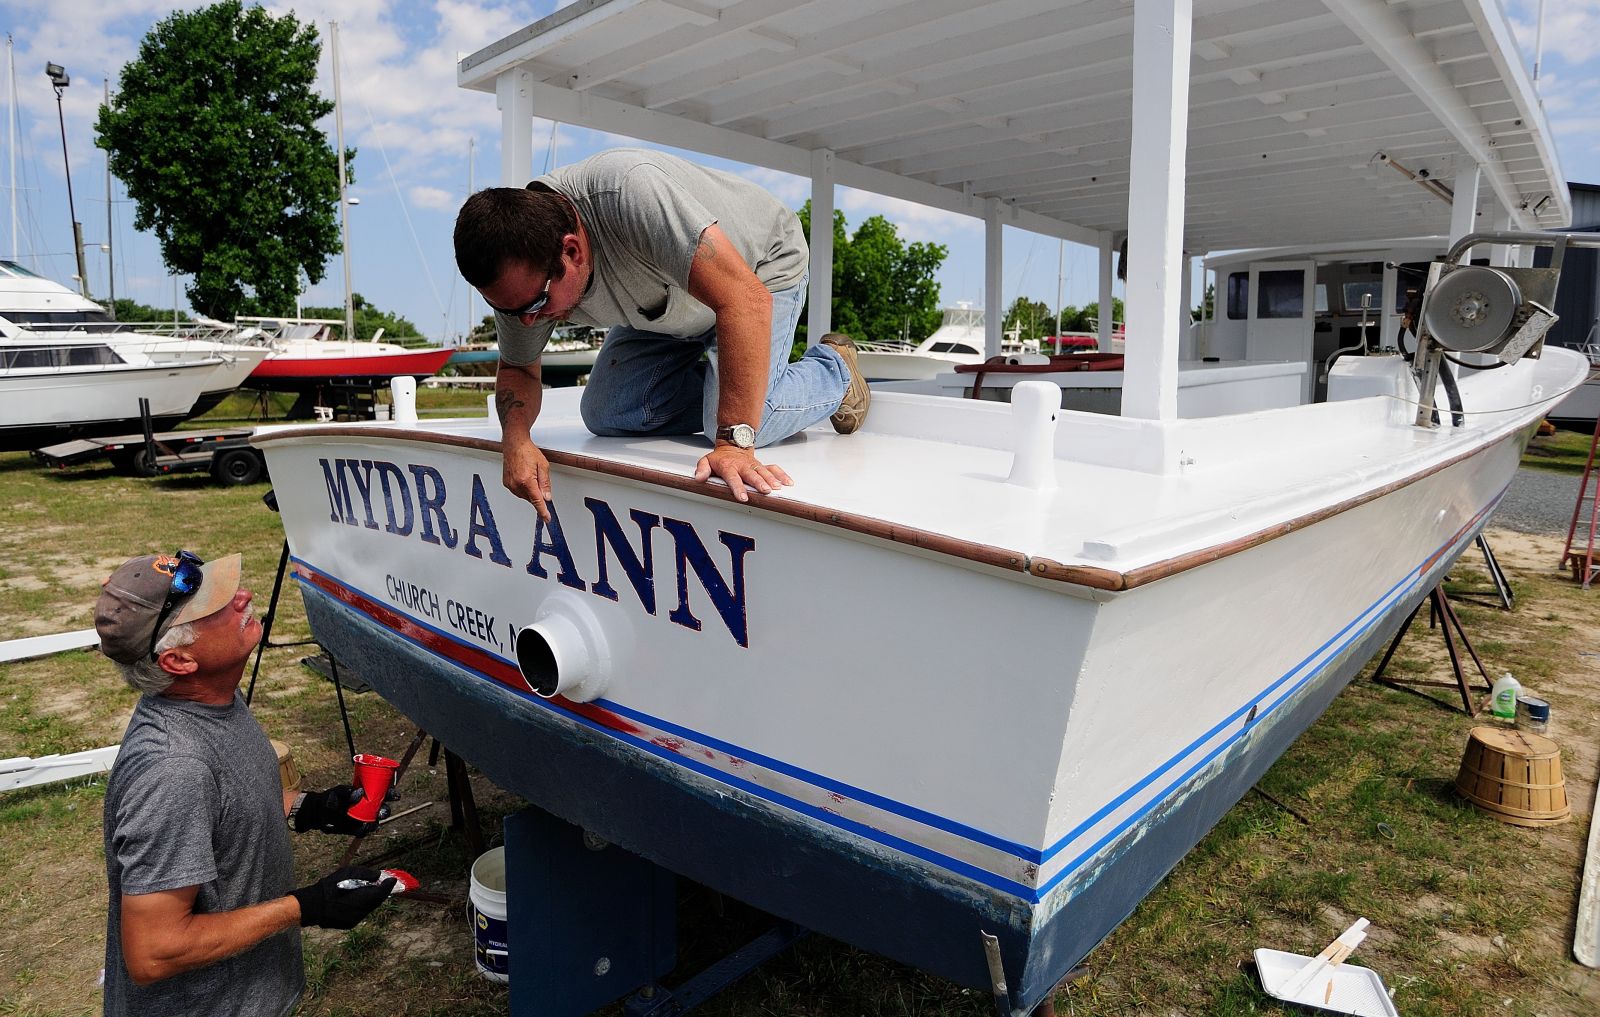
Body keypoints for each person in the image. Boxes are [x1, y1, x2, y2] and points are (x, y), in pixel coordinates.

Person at [453, 147, 872, 519]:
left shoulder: (631, 195)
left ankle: (834, 370)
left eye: (535, 305)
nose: (527, 322)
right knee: (607, 413)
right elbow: (519, 369)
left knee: (725, 423)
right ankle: (723, 387)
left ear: (571, 251)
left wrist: (732, 442)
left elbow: (744, 300)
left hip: (758, 271)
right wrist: (517, 439)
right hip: (670, 307)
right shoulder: (519, 275)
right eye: (507, 310)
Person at [95, 550, 395, 1017]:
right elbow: (154, 951)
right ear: (177, 660)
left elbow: (223, 807)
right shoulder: (173, 769)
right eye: (215, 606)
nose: (243, 596)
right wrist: (307, 907)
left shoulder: (215, 696)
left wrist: (312, 809)